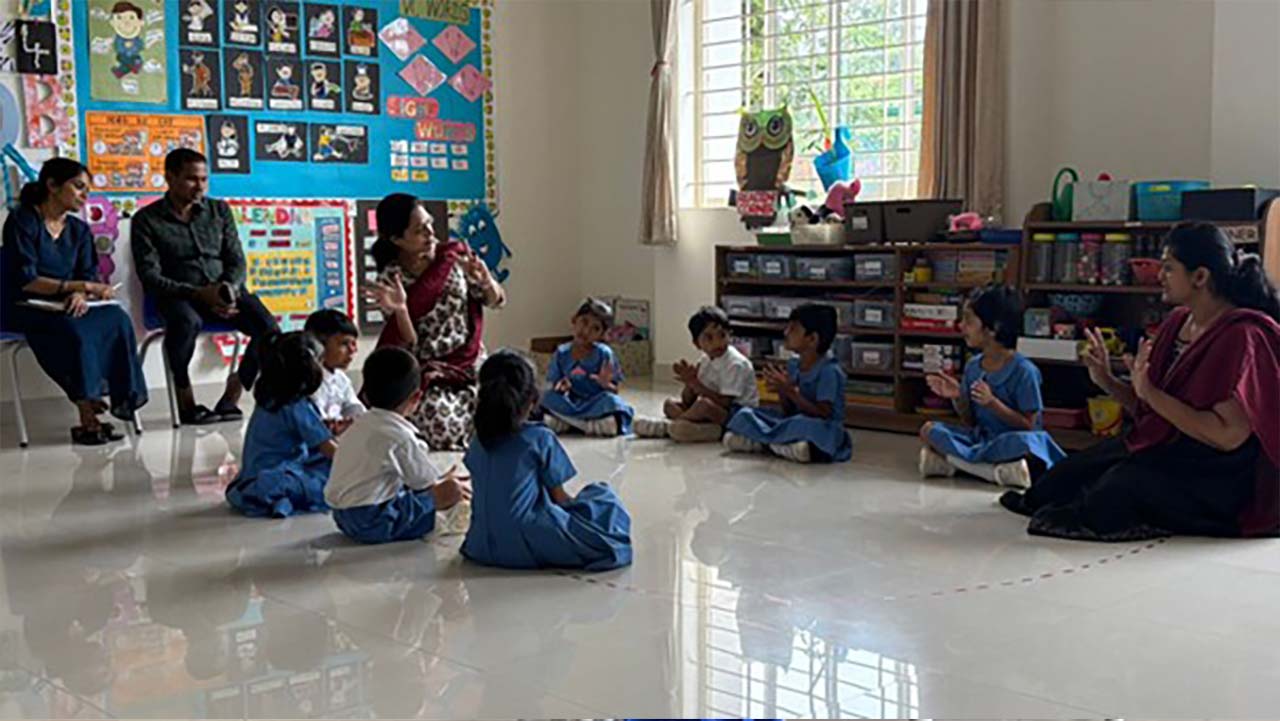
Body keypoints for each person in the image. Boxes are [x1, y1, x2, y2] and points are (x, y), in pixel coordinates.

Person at [1001, 223, 1280, 541]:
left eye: (1169, 268)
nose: (1160, 275)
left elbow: (1227, 436)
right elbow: (1151, 413)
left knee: (1115, 491)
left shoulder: (1242, 335)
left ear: (1200, 277)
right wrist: (1107, 380)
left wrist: (1149, 391)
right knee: (1061, 479)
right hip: (1170, 450)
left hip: (1217, 473)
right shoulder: (1178, 323)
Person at [1, 158, 147, 445]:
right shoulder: (22, 221)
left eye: (87, 190)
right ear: (52, 185)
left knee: (117, 319)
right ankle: (87, 412)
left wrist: (81, 294)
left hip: (67, 303)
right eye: (78, 187)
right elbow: (26, 280)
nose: (84, 196)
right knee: (75, 330)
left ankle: (117, 397)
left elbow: (87, 273)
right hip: (26, 305)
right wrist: (79, 287)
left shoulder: (78, 230)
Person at [131, 148, 279, 425]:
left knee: (269, 328)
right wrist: (199, 294)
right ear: (170, 178)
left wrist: (228, 291)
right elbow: (149, 276)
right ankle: (185, 400)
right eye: (191, 179)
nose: (199, 186)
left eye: (203, 179)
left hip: (224, 291)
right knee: (186, 322)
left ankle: (233, 392)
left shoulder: (219, 210)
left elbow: (236, 259)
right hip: (177, 296)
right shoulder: (146, 219)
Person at [461, 351, 632, 571]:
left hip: (479, 545)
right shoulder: (539, 438)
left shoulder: (477, 441)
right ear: (532, 400)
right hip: (525, 543)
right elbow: (560, 499)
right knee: (603, 499)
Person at [364, 193, 505, 450]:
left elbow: (496, 301)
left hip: (471, 362)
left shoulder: (452, 257)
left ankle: (481, 420)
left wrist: (486, 281)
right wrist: (401, 309)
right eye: (420, 230)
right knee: (438, 421)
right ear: (397, 239)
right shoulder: (391, 280)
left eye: (430, 223)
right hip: (431, 372)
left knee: (510, 391)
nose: (431, 233)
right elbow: (408, 343)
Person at [918, 285, 1065, 488]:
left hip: (1010, 441)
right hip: (982, 439)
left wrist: (993, 403)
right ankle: (994, 471)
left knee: (1027, 444)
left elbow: (1030, 426)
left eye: (969, 321)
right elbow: (970, 421)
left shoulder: (1024, 371)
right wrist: (957, 396)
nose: (961, 326)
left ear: (993, 328)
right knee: (929, 429)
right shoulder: (973, 366)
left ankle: (954, 463)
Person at [326, 347, 473, 544]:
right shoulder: (401, 437)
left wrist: (438, 480)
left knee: (406, 490)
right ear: (416, 398)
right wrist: (446, 485)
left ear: (366, 395)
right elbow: (426, 485)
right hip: (373, 521)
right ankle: (446, 523)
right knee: (450, 491)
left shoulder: (358, 424)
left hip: (342, 518)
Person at [723, 304, 852, 463]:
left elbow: (823, 413)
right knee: (745, 413)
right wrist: (782, 391)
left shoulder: (829, 371)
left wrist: (791, 391)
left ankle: (764, 443)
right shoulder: (793, 364)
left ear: (812, 339)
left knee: (802, 424)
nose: (786, 333)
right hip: (793, 420)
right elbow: (789, 411)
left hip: (820, 426)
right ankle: (779, 445)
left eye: (793, 329)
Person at [225, 331, 334, 518]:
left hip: (254, 476)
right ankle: (282, 497)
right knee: (331, 474)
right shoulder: (296, 404)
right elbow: (329, 449)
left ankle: (278, 499)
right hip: (278, 474)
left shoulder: (269, 399)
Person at [635, 305, 759, 442]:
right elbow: (687, 400)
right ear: (697, 343)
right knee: (669, 404)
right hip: (715, 411)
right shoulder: (705, 360)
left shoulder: (735, 364)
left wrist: (697, 385)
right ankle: (697, 427)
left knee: (703, 405)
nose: (717, 342)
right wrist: (690, 383)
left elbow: (725, 403)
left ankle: (667, 427)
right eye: (709, 338)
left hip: (737, 415)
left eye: (722, 335)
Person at [540, 298, 635, 437]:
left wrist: (606, 384)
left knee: (612, 402)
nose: (586, 331)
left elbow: (615, 390)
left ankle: (570, 423)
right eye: (584, 322)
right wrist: (561, 387)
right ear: (574, 320)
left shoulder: (604, 353)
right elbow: (554, 383)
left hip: (595, 403)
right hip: (570, 402)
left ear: (602, 335)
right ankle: (586, 425)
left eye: (595, 328)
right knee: (546, 397)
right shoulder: (561, 352)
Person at [303, 308, 365, 435]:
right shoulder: (307, 382)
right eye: (344, 343)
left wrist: (356, 419)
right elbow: (318, 427)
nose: (353, 350)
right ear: (318, 345)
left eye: (354, 343)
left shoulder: (341, 378)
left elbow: (355, 408)